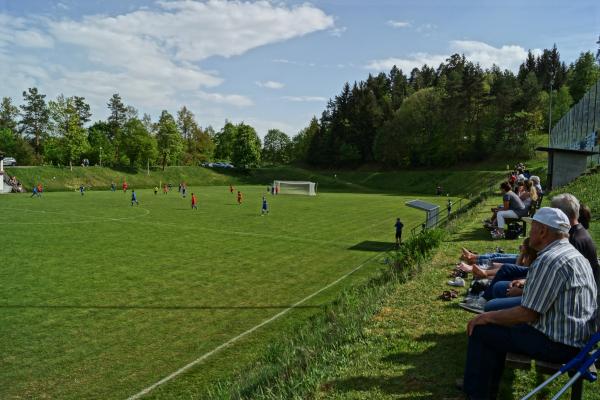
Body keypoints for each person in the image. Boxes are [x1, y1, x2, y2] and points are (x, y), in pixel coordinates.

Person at [460, 207, 598, 400]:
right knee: (495, 328)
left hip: (558, 344)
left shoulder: (550, 260)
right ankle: (485, 386)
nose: (529, 232)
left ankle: (476, 393)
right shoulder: (573, 254)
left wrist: (485, 316)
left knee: (483, 330)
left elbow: (528, 314)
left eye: (532, 227)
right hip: (575, 337)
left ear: (543, 231)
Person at [551, 193, 600, 285]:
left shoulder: (572, 240)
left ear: (561, 215)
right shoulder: (580, 231)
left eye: (553, 214)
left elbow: (565, 277)